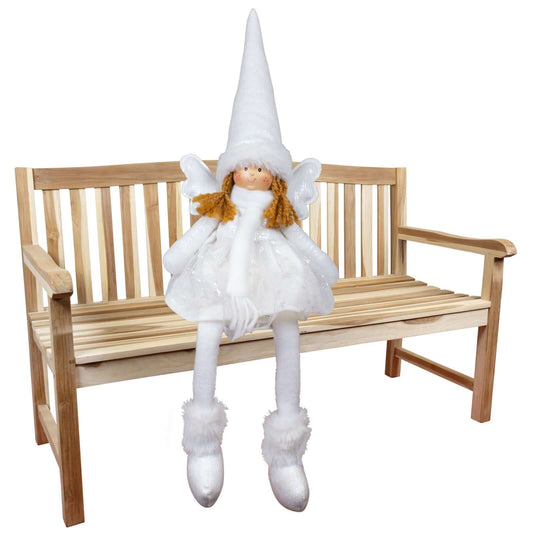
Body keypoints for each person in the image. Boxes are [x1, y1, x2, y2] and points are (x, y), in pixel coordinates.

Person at [163, 9, 338, 511]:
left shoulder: (278, 214)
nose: (254, 173)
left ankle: (286, 450)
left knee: (288, 324)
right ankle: (202, 440)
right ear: (231, 172)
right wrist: (176, 259)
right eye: (246, 166)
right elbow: (188, 246)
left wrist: (325, 269)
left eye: (263, 168)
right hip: (219, 282)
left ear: (276, 176)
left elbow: (301, 244)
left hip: (275, 282)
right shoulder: (220, 209)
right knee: (207, 322)